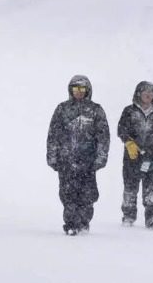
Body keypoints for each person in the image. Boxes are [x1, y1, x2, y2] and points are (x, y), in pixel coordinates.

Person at [46, 75, 110, 235]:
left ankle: (83, 222)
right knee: (68, 194)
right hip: (66, 161)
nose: (79, 92)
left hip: (88, 162)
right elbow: (53, 134)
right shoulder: (62, 109)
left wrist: (101, 157)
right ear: (71, 90)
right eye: (76, 89)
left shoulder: (96, 110)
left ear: (88, 90)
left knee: (87, 195)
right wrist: (52, 156)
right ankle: (71, 224)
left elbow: (103, 136)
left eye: (82, 89)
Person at [117, 81, 153, 229]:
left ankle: (152, 215)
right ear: (138, 94)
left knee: (150, 187)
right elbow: (121, 129)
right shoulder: (129, 111)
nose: (148, 94)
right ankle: (128, 215)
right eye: (145, 91)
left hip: (150, 157)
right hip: (132, 157)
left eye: (151, 92)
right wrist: (129, 142)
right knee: (130, 186)